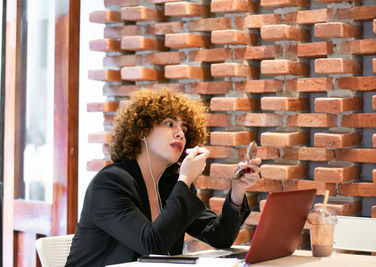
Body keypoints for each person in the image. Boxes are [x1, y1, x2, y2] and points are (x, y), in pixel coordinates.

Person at [65, 88, 261, 267]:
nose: (180, 134)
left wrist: (237, 190)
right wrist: (185, 179)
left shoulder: (171, 184)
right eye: (169, 123)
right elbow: (151, 246)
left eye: (184, 129)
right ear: (142, 131)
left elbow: (220, 237)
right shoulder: (110, 183)